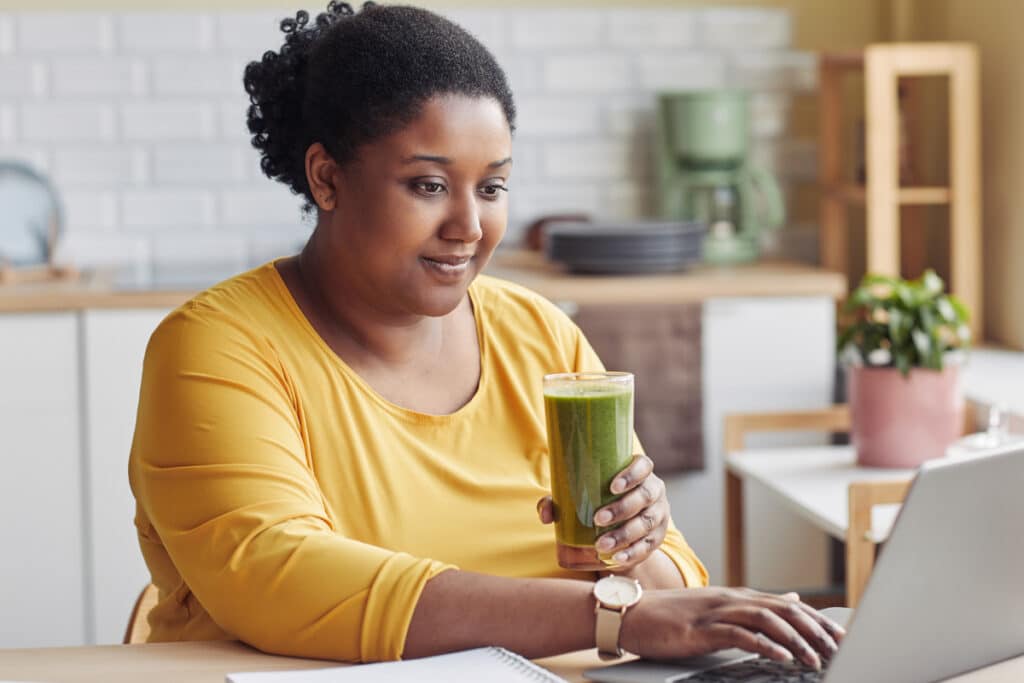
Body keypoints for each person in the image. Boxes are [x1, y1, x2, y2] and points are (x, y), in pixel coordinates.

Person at [128, 0, 844, 669]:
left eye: (493, 186)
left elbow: (667, 593)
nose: (469, 227)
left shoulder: (537, 335)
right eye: (429, 185)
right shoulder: (217, 348)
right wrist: (611, 616)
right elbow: (279, 576)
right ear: (326, 177)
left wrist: (636, 548)